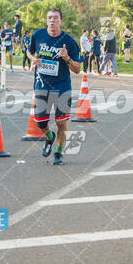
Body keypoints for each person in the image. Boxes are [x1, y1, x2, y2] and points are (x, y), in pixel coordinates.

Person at [27, 8, 81, 165]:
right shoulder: (38, 35)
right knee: (41, 122)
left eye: (55, 18)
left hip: (62, 85)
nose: (52, 20)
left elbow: (77, 69)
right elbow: (29, 52)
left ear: (61, 21)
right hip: (42, 84)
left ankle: (58, 152)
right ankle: (49, 137)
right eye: (49, 18)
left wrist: (67, 58)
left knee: (61, 122)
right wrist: (33, 59)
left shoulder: (69, 41)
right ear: (46, 20)